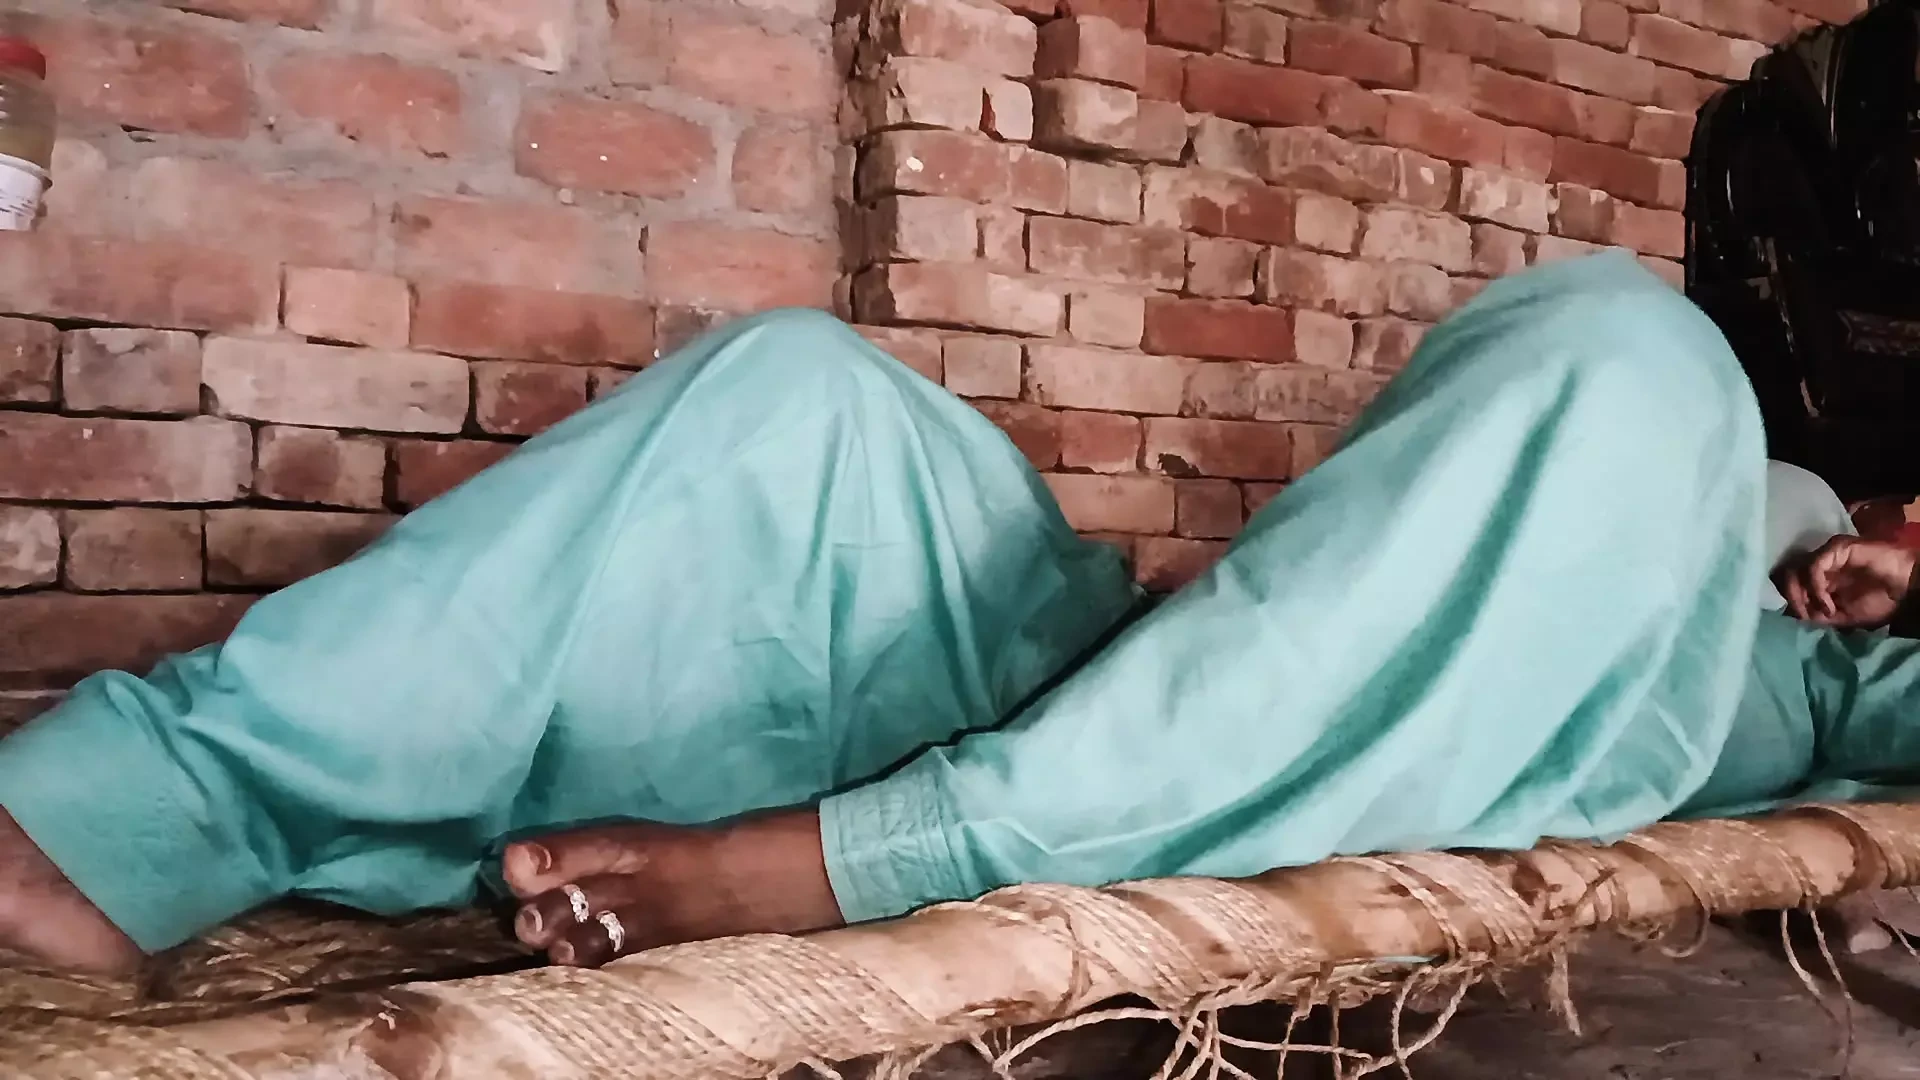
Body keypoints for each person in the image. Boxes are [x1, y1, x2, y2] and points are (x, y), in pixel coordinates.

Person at [6, 250, 1920, 977]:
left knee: (1636, 337)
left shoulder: (1822, 661)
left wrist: (1890, 596)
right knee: (802, 391)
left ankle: (855, 849)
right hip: (1136, 659)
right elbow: (1360, 564)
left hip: (1315, 757)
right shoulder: (1778, 495)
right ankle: (169, 801)